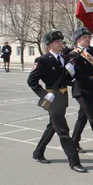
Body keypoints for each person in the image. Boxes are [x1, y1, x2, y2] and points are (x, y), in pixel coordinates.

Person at [27, 30, 87, 173]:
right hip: (52, 99)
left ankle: (38, 152)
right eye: (57, 41)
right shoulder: (43, 60)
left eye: (61, 41)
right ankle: (74, 161)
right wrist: (43, 95)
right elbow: (31, 81)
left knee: (52, 126)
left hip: (62, 98)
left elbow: (67, 81)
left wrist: (71, 75)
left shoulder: (64, 59)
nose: (60, 43)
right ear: (49, 45)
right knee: (63, 130)